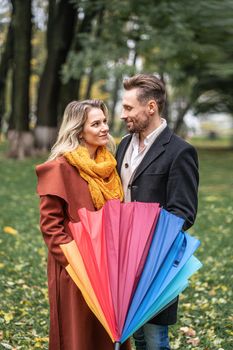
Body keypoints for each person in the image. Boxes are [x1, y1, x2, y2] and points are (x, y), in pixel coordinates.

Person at [36, 100, 131, 350]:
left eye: (105, 122)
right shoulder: (59, 168)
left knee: (109, 333)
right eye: (96, 124)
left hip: (111, 265)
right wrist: (79, 263)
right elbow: (51, 227)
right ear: (79, 130)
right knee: (79, 336)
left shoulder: (110, 167)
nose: (104, 129)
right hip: (75, 269)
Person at [116, 74, 199, 350]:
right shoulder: (124, 145)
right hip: (121, 261)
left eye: (128, 108)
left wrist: (144, 238)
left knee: (154, 340)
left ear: (151, 107)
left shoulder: (180, 152)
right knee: (133, 332)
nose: (122, 114)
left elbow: (183, 212)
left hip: (155, 260)